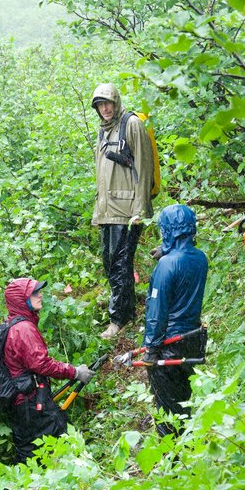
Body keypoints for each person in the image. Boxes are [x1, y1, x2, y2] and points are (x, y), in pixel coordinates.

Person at [3, 277, 94, 464]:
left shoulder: (13, 325)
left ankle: (29, 488)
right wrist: (75, 372)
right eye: (34, 292)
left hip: (22, 402)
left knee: (30, 452)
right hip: (30, 404)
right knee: (65, 440)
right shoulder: (23, 329)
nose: (40, 295)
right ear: (22, 299)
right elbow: (41, 364)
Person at [91, 83, 154, 339]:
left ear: (116, 101)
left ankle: (119, 319)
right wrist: (99, 212)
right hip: (109, 211)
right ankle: (126, 311)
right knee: (110, 264)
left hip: (127, 211)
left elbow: (144, 166)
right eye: (99, 105)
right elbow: (102, 174)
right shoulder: (103, 131)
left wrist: (140, 210)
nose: (104, 108)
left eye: (107, 103)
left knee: (120, 265)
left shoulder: (132, 125)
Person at [141, 204, 208, 436]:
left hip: (167, 344)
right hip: (192, 340)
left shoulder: (166, 265)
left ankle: (173, 460)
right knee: (183, 403)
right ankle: (186, 451)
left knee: (167, 410)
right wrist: (167, 251)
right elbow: (184, 259)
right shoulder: (201, 258)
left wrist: (151, 347)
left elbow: (157, 311)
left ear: (168, 230)